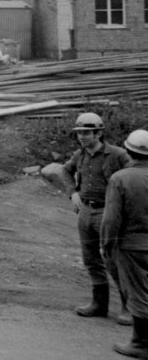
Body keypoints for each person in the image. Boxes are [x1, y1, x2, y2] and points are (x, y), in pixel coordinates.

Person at [63, 111, 133, 324]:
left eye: (87, 132)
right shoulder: (79, 155)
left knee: (113, 260)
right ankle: (99, 304)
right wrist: (73, 192)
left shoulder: (118, 155)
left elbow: (134, 176)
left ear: (99, 132)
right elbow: (66, 171)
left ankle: (128, 308)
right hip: (86, 211)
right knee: (91, 259)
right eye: (79, 133)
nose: (82, 137)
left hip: (108, 213)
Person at [103, 130, 148, 357]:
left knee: (138, 293)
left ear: (128, 151)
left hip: (133, 245)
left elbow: (111, 218)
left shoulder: (120, 178)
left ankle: (140, 344)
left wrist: (107, 244)